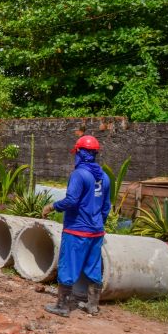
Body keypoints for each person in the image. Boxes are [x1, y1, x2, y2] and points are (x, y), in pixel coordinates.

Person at [41, 135, 111, 317]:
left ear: (79, 153)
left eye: (76, 153)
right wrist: (98, 224)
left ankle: (63, 307)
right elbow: (106, 206)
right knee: (93, 268)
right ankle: (93, 306)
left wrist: (52, 206)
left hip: (77, 230)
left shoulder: (79, 174)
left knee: (68, 266)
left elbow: (72, 200)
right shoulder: (103, 177)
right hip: (96, 232)